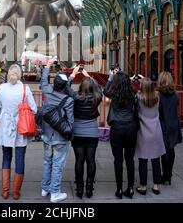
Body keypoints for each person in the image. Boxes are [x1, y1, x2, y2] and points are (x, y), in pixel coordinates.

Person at [0, 64, 37, 200]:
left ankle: (5, 191)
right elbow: (34, 108)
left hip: (6, 126)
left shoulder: (2, 88)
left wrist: (0, 118)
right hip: (21, 127)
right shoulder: (25, 88)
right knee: (20, 158)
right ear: (20, 74)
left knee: (6, 157)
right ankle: (16, 192)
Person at [65, 66, 103, 198]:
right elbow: (99, 89)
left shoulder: (76, 97)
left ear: (81, 87)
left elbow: (66, 88)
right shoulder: (97, 97)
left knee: (79, 160)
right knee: (91, 160)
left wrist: (73, 75)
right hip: (92, 133)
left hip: (78, 134)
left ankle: (79, 188)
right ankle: (89, 187)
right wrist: (90, 78)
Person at [40, 58, 74, 203]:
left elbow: (43, 82)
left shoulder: (47, 92)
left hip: (47, 135)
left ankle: (45, 188)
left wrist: (47, 66)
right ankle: (55, 192)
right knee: (58, 165)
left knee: (47, 161)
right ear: (65, 86)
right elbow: (70, 121)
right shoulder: (68, 100)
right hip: (60, 137)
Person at [103, 70, 138, 199]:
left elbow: (105, 91)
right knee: (130, 159)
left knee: (118, 160)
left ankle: (118, 188)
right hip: (130, 126)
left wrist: (110, 78)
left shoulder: (114, 93)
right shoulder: (133, 93)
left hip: (117, 127)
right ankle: (130, 188)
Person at [135, 78, 166, 196]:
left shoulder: (139, 97)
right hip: (156, 131)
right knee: (155, 160)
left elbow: (137, 92)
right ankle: (156, 185)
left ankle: (143, 186)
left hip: (143, 132)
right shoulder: (157, 97)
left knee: (142, 160)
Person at [157, 71, 182, 185]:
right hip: (174, 124)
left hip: (163, 125)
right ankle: (169, 175)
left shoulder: (159, 96)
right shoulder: (176, 94)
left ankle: (165, 176)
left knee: (164, 152)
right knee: (171, 150)